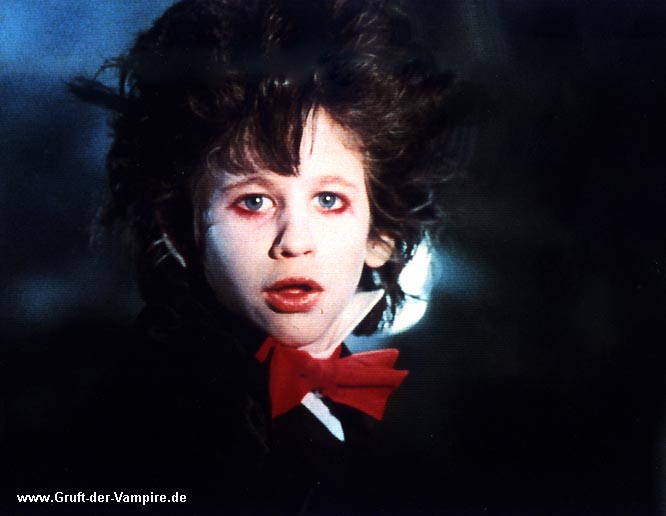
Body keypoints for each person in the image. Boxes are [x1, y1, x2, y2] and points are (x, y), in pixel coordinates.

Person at [3, 0, 467, 514]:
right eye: (254, 202)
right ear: (180, 232)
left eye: (328, 200)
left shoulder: (335, 400)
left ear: (379, 235)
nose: (294, 241)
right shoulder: (163, 418)